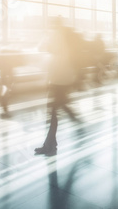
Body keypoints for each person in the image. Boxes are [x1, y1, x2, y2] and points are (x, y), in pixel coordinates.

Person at [34, 18, 82, 156]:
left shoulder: (57, 34)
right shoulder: (65, 35)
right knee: (54, 111)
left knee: (53, 113)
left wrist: (45, 37)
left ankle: (49, 146)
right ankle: (50, 144)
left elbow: (44, 48)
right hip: (64, 78)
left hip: (58, 79)